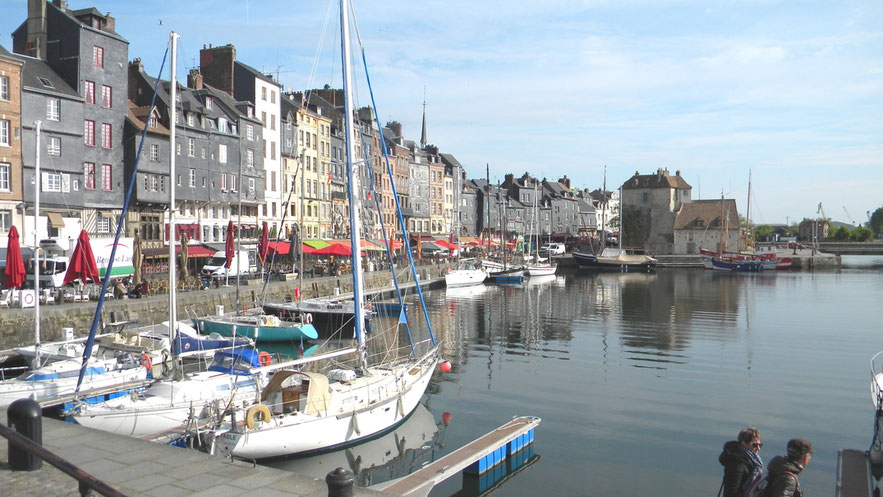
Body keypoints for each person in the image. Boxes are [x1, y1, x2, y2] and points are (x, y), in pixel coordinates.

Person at [719, 426, 764, 497]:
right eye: (755, 445)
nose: (758, 448)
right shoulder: (737, 464)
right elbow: (730, 493)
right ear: (744, 443)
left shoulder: (752, 461)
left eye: (760, 445)